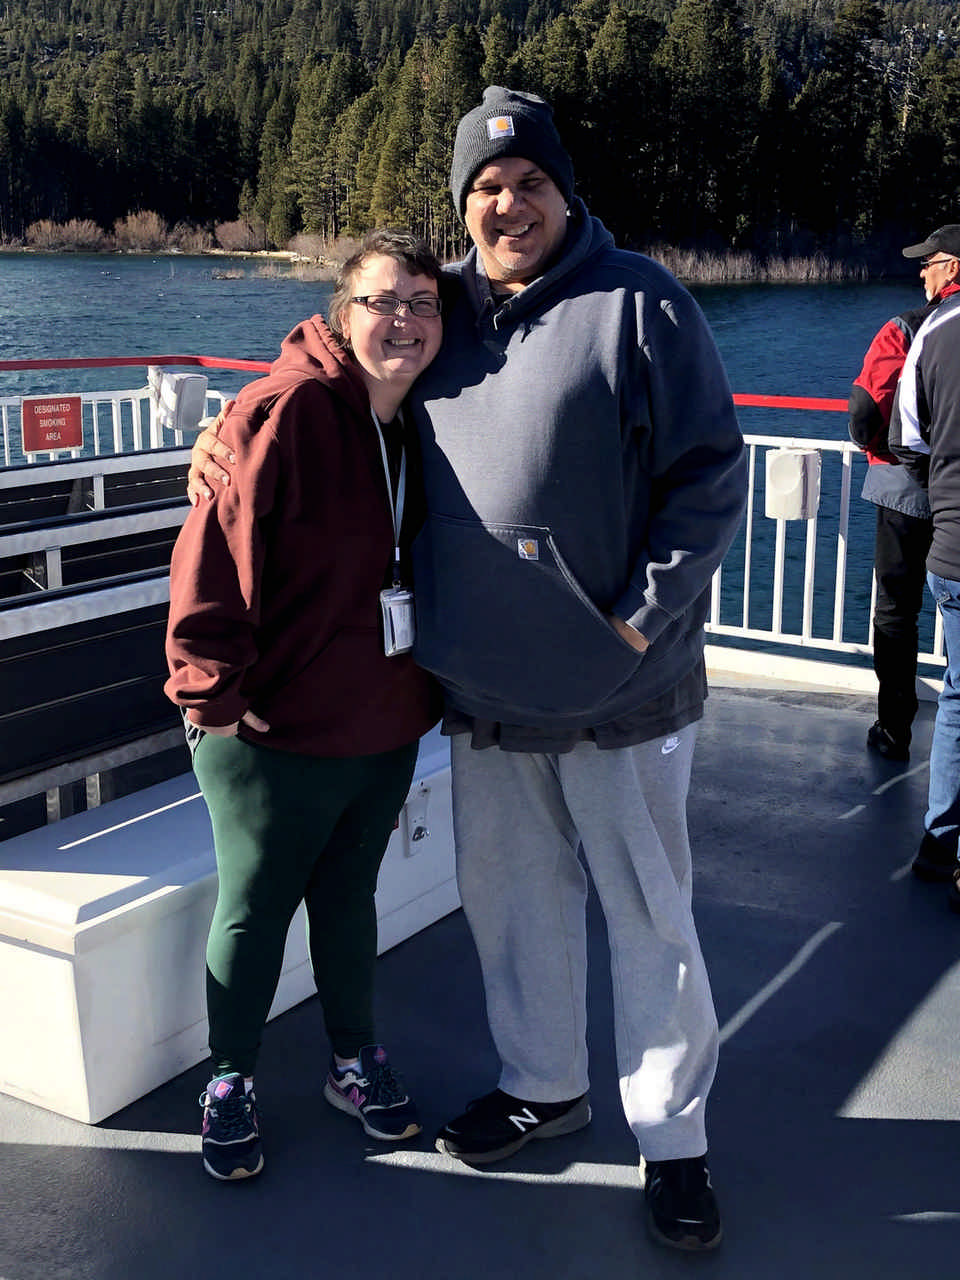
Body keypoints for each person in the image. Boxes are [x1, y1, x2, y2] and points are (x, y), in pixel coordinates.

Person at [190, 88, 746, 1252]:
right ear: (464, 205)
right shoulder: (444, 312)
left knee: (649, 918)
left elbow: (707, 477)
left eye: (528, 182)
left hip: (622, 693)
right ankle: (545, 1086)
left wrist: (639, 620)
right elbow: (337, 351)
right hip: (484, 701)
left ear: (564, 190)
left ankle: (673, 1136)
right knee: (515, 907)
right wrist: (229, 435)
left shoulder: (640, 301)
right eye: (485, 189)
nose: (508, 204)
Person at [166, 228, 444, 1181]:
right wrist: (210, 699)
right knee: (254, 909)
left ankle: (351, 1060)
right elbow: (207, 559)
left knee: (348, 899)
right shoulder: (282, 411)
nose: (403, 320)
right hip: (271, 732)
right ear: (342, 314)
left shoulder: (426, 415)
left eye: (421, 303)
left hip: (383, 722)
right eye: (381, 302)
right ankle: (231, 1075)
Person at [848, 249, 944, 761]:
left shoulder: (906, 329)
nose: (920, 272)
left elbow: (866, 406)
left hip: (904, 489)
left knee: (896, 610)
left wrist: (878, 449)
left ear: (951, 267)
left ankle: (893, 729)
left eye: (928, 262)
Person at [889, 225, 960, 895]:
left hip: (951, 547)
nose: (921, 276)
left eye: (930, 264)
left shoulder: (929, 337)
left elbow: (904, 437)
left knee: (959, 700)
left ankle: (940, 847)